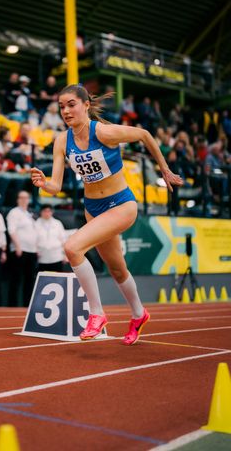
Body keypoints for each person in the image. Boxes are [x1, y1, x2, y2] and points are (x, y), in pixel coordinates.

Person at [31, 84, 183, 345]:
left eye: (71, 104)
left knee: (72, 248)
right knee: (116, 268)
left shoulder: (103, 132)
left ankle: (96, 313)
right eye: (62, 106)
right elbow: (56, 187)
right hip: (93, 208)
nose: (66, 110)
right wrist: (44, 183)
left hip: (121, 205)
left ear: (86, 105)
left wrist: (165, 170)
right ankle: (139, 314)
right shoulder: (61, 141)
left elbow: (145, 134)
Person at [6, 190, 37, 306]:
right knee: (16, 279)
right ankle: (12, 306)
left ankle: (27, 306)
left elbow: (34, 232)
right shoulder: (14, 213)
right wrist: (18, 246)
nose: (24, 200)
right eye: (21, 198)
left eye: (26, 198)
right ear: (18, 200)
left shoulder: (29, 214)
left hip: (31, 251)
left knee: (29, 280)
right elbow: (11, 230)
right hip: (19, 250)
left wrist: (36, 248)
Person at [35, 205, 67, 272]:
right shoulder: (36, 224)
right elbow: (33, 240)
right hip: (42, 258)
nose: (47, 213)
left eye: (49, 211)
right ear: (41, 212)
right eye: (45, 211)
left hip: (57, 257)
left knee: (57, 279)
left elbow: (64, 240)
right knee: (44, 280)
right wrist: (36, 251)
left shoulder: (57, 223)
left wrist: (65, 255)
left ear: (52, 212)